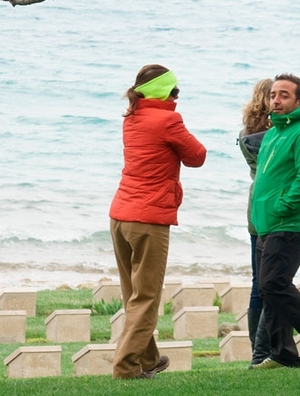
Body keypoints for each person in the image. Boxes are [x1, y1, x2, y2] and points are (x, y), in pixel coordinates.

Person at [109, 64, 207, 379]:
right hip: (149, 220)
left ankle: (148, 360)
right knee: (147, 297)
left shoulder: (131, 118)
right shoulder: (169, 120)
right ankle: (126, 367)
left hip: (120, 215)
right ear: (168, 91)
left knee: (133, 295)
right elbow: (197, 156)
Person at [238, 77, 300, 366]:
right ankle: (281, 353)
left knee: (273, 283)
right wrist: (262, 214)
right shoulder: (272, 134)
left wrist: (282, 207)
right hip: (266, 224)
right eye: (273, 95)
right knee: (271, 288)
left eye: (284, 95)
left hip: (292, 223)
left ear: (299, 101)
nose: (276, 101)